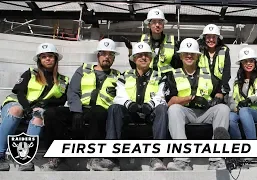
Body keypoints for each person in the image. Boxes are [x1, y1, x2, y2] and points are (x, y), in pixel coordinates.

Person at [0, 43, 69, 171]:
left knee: (39, 117)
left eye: (50, 56)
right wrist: (26, 108)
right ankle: (0, 154)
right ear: (39, 60)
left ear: (55, 59)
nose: (47, 59)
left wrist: (46, 104)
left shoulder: (64, 80)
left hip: (37, 109)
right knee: (17, 110)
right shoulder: (30, 73)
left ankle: (25, 159)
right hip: (18, 104)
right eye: (43, 57)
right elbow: (19, 92)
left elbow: (62, 99)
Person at [164, 38, 230, 171]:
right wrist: (191, 98)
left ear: (198, 56)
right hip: (186, 112)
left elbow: (219, 92)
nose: (189, 56)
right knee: (174, 109)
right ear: (181, 56)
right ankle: (181, 161)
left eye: (192, 53)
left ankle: (216, 159)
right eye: (186, 54)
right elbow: (170, 101)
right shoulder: (172, 75)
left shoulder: (208, 74)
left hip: (205, 112)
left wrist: (217, 98)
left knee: (223, 108)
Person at [105, 42, 168, 171]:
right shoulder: (124, 75)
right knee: (114, 108)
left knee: (162, 109)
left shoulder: (159, 76)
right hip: (130, 113)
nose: (143, 57)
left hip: (150, 113)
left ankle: (157, 158)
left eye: (146, 55)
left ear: (151, 58)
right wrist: (129, 104)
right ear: (134, 59)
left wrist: (150, 105)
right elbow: (119, 95)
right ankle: (111, 158)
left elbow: (161, 96)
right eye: (139, 55)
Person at [66, 38, 121, 171]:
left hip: (102, 112)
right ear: (98, 56)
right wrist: (76, 111)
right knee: (52, 114)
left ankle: (94, 157)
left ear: (114, 58)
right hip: (81, 109)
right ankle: (55, 157)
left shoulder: (118, 76)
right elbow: (73, 91)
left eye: (110, 54)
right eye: (103, 54)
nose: (106, 57)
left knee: (97, 112)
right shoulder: (83, 70)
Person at [229, 47, 257, 140]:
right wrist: (234, 107)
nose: (248, 63)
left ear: (255, 63)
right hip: (242, 112)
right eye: (245, 61)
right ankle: (239, 146)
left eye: (251, 61)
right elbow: (233, 99)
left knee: (245, 111)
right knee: (230, 117)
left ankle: (252, 144)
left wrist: (250, 99)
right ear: (241, 63)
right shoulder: (237, 82)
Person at [123, 8, 181, 73]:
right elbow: (135, 66)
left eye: (160, 22)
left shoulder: (173, 42)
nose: (157, 25)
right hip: (149, 79)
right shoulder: (142, 41)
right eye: (154, 22)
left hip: (167, 79)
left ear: (163, 25)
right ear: (149, 25)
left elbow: (178, 65)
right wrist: (130, 50)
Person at [198, 24, 231, 103]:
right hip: (203, 89)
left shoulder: (224, 51)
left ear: (218, 38)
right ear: (204, 38)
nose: (211, 40)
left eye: (214, 37)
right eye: (208, 37)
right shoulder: (199, 51)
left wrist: (220, 92)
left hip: (219, 90)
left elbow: (226, 73)